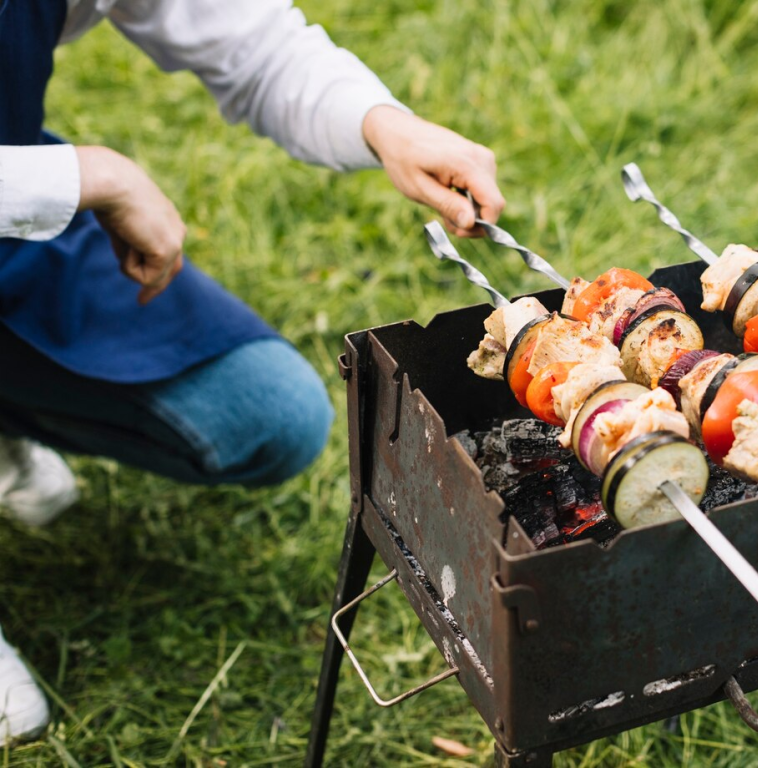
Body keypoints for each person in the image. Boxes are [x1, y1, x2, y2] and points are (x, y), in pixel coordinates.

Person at [0, 0, 505, 746]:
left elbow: (249, 43)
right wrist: (92, 175)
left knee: (266, 415)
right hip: (39, 185)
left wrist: (384, 126)